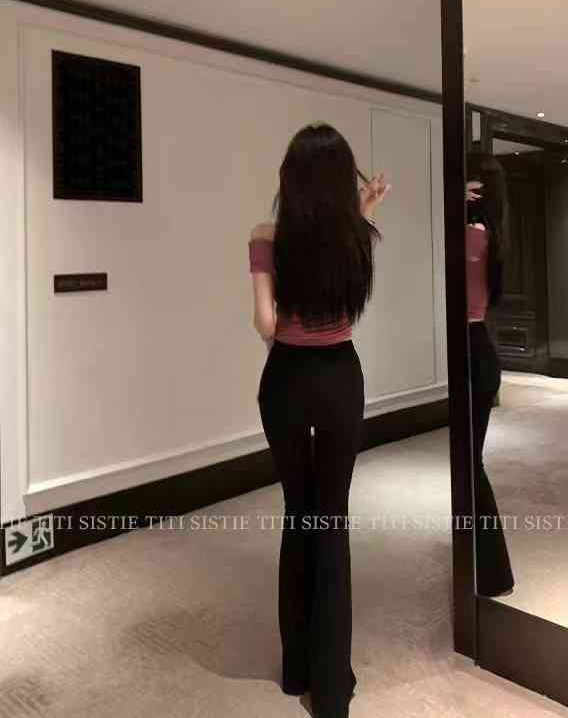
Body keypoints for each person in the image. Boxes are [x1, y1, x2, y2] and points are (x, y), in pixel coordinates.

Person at [248, 122, 390, 718]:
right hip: (339, 380)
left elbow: (265, 322)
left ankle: (296, 669)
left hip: (286, 380)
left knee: (297, 512)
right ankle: (331, 688)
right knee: (331, 519)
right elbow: (338, 239)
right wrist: (362, 211)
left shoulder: (266, 237)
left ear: (289, 180)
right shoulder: (356, 238)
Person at [466, 151, 515, 598]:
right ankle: (483, 568)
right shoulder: (489, 234)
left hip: (473, 352)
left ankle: (494, 572)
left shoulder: (472, 236)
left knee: (468, 464)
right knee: (468, 462)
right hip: (477, 350)